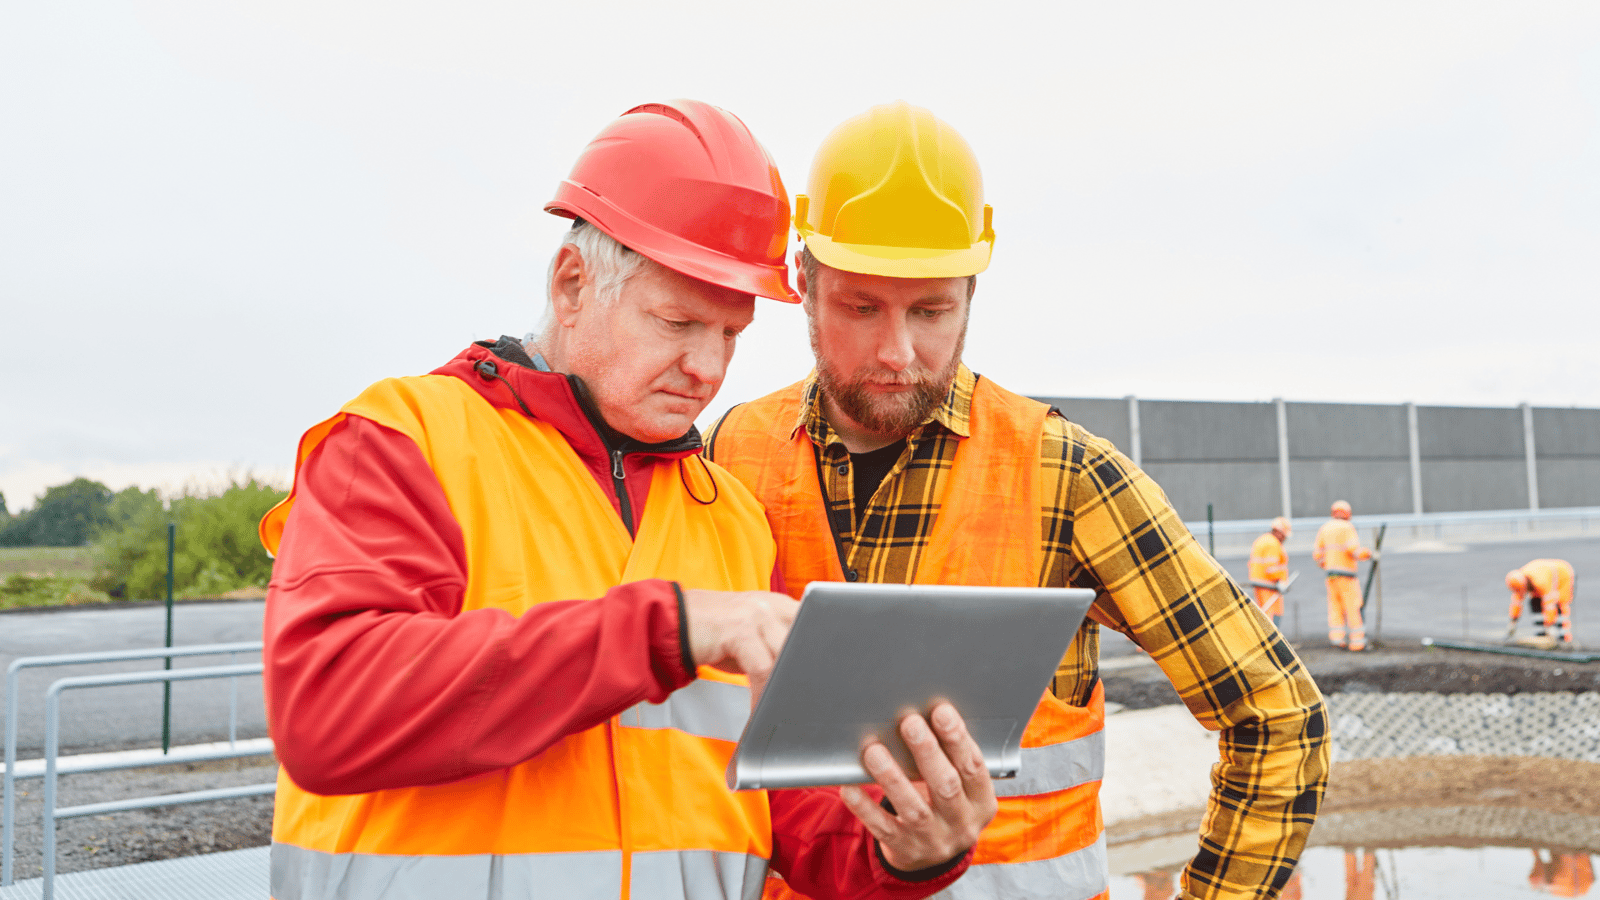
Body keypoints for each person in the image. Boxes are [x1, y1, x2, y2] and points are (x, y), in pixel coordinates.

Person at [256, 100, 999, 900]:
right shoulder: (405, 443)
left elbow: (782, 808)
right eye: (677, 322)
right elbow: (327, 711)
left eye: (730, 334)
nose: (706, 369)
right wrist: (674, 625)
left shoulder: (727, 518)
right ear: (572, 284)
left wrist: (904, 846)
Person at [707, 101, 1329, 900]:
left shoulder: (1065, 475)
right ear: (803, 279)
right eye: (861, 308)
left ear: (972, 289)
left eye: (932, 311)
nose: (898, 353)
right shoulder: (732, 453)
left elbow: (1278, 717)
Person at [1313, 500, 1377, 652]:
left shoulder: (1325, 528)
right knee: (1353, 607)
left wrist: (1327, 564)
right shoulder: (1347, 527)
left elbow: (1317, 555)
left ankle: (1337, 639)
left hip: (1330, 575)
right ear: (1348, 514)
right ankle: (1357, 643)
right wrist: (1368, 554)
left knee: (1335, 607)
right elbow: (1353, 550)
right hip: (1346, 575)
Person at [1507, 559, 1578, 644]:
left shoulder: (1541, 581)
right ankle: (1541, 635)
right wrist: (1513, 622)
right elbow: (1517, 603)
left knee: (1560, 604)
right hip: (1547, 577)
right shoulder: (1519, 581)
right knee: (1535, 602)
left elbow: (1549, 605)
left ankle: (1564, 638)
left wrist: (1549, 625)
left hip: (1563, 576)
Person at [1249, 517, 1294, 628]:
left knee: (1265, 613)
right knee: (1272, 615)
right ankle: (1272, 642)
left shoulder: (1263, 540)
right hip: (1269, 585)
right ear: (1279, 532)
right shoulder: (1272, 543)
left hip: (1261, 583)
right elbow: (1271, 568)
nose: (1284, 538)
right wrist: (1280, 582)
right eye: (1284, 535)